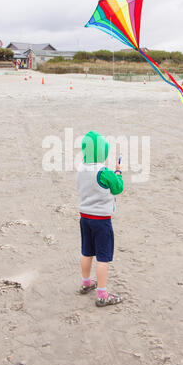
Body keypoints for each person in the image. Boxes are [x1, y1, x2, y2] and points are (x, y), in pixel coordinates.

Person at [76, 131, 124, 307]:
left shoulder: (81, 168)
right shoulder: (105, 172)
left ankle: (86, 282)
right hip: (101, 221)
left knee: (87, 252)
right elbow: (118, 188)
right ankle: (102, 295)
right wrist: (118, 173)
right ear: (103, 152)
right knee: (103, 257)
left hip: (85, 218)